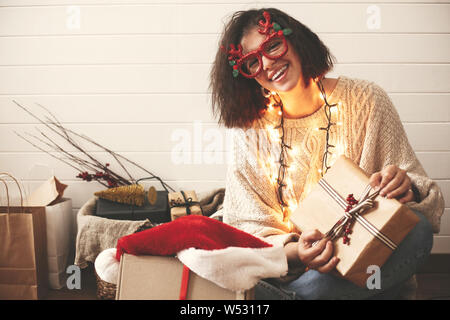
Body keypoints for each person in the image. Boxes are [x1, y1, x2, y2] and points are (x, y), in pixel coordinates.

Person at [209, 8, 445, 299]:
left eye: (272, 45)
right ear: (247, 77)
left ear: (296, 40)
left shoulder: (366, 100)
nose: (268, 63)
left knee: (417, 231)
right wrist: (297, 252)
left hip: (363, 259)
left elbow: (427, 199)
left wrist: (407, 187)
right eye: (251, 63)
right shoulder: (249, 132)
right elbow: (246, 229)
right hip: (294, 273)